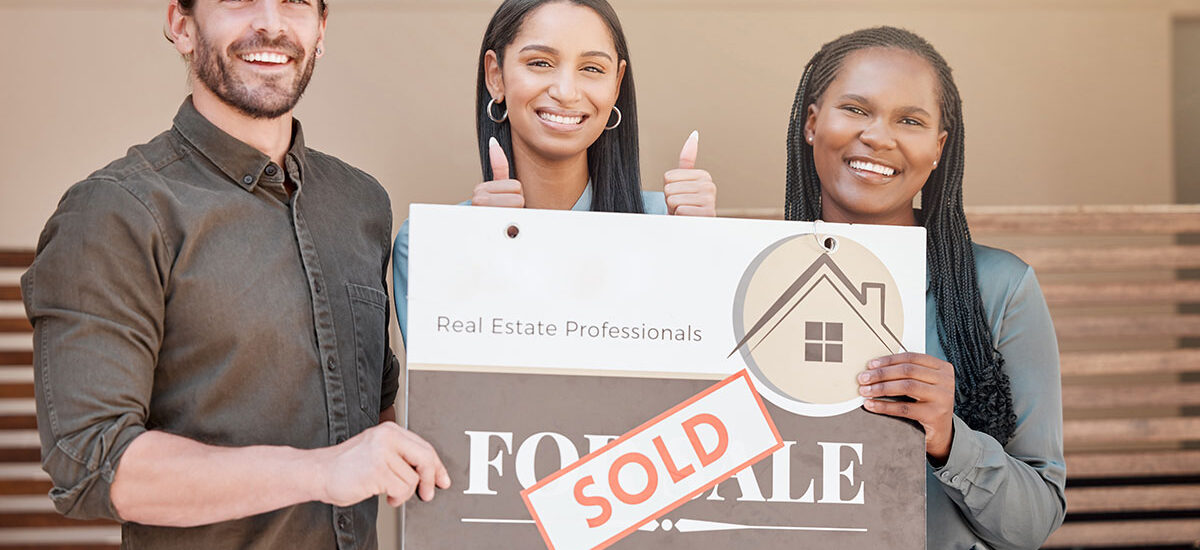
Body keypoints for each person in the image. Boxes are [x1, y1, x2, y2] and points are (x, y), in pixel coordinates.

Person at [21, 0, 448, 547]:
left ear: (321, 30)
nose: (270, 21)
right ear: (181, 25)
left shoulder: (360, 204)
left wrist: (492, 258)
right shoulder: (115, 211)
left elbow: (381, 418)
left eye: (296, 2)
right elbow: (93, 460)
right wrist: (321, 471)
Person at [785, 26, 1066, 549]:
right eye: (855, 109)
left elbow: (1034, 523)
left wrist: (949, 439)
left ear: (938, 148)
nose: (879, 137)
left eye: (910, 120)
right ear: (812, 122)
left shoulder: (999, 288)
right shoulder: (754, 276)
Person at [392, 0, 717, 340]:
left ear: (616, 84)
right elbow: (451, 372)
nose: (566, 92)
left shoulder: (669, 224)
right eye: (540, 63)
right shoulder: (432, 243)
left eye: (592, 68)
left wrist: (703, 252)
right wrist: (481, 259)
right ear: (495, 75)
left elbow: (703, 361)